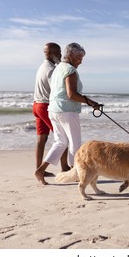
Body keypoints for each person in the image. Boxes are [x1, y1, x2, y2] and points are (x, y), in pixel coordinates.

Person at [34, 42, 100, 185]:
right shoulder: (69, 70)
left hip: (53, 109)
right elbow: (72, 94)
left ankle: (40, 170)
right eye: (79, 58)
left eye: (82, 58)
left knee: (61, 142)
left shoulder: (58, 68)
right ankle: (76, 173)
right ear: (70, 55)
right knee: (75, 144)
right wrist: (91, 102)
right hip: (67, 111)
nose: (81, 61)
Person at [33, 43, 69, 176]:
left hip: (36, 105)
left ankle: (39, 169)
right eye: (58, 53)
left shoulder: (42, 67)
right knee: (63, 138)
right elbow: (57, 90)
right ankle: (65, 168)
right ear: (49, 53)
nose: (60, 55)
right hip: (45, 106)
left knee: (41, 140)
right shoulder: (52, 70)